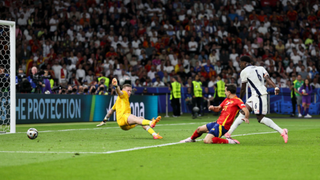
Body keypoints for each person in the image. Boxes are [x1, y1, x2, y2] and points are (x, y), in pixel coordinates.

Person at [225, 56, 288, 143]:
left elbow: (243, 88)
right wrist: (275, 87)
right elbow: (267, 78)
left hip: (259, 95)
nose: (240, 65)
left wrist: (238, 100)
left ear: (244, 63)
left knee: (260, 118)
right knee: (243, 112)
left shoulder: (244, 72)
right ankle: (228, 134)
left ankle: (282, 131)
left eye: (240, 63)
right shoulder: (261, 68)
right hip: (255, 95)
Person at [180, 84, 250, 144]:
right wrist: (213, 108)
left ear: (229, 92)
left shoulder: (238, 101)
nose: (224, 92)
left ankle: (229, 141)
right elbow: (218, 108)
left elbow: (246, 110)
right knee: (199, 129)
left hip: (223, 126)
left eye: (225, 91)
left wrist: (246, 117)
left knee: (207, 140)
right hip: (217, 123)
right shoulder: (226, 100)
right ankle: (191, 139)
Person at [96, 78, 163, 139]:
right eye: (128, 90)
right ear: (124, 90)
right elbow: (119, 92)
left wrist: (104, 120)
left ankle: (154, 134)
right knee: (134, 118)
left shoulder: (118, 101)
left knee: (141, 119)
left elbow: (111, 111)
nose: (129, 92)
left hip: (124, 126)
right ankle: (151, 122)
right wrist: (116, 86)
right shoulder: (123, 94)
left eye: (130, 91)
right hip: (123, 118)